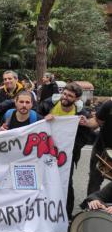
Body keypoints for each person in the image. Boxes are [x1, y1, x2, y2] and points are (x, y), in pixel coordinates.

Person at [42, 82, 92, 220]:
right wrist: (43, 118)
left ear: (76, 99)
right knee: (45, 178)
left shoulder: (81, 113)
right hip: (46, 150)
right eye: (64, 93)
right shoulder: (48, 104)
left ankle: (66, 213)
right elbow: (37, 119)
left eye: (70, 96)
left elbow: (85, 136)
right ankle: (44, 208)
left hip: (67, 154)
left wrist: (71, 148)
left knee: (66, 181)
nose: (65, 97)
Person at [80, 99, 112, 195]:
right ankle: (91, 205)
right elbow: (97, 121)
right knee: (95, 180)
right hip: (102, 148)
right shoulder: (109, 105)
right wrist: (87, 122)